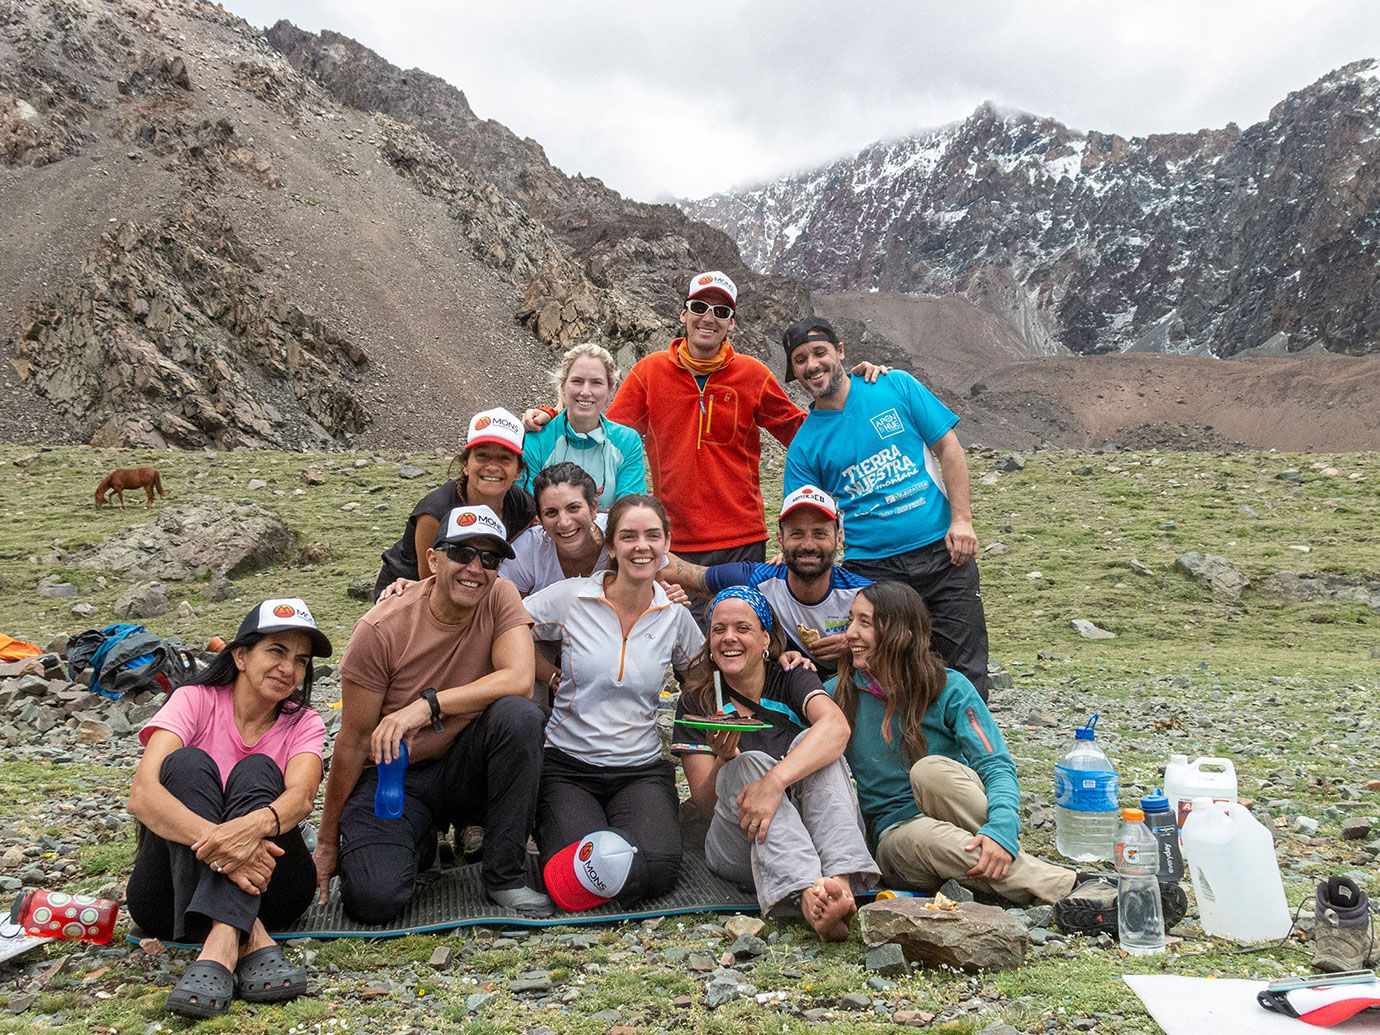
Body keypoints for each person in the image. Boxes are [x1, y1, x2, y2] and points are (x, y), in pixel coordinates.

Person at [524, 273, 885, 586]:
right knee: (687, 649)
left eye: (721, 311)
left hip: (742, 538)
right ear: (684, 314)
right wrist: (554, 410)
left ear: (732, 323)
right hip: (673, 540)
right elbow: (602, 425)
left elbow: (805, 433)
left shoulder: (752, 374)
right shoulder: (650, 373)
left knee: (741, 639)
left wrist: (848, 390)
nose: (708, 318)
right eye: (699, 307)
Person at [316, 505, 553, 921]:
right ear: (433, 559)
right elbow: (352, 740)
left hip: (465, 763)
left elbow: (518, 678)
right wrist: (326, 841)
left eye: (490, 559)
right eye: (462, 553)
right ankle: (420, 842)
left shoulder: (501, 596)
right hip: (396, 776)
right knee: (375, 900)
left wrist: (425, 707)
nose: (475, 569)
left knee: (519, 716)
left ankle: (505, 875)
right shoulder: (380, 629)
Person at [126, 598, 331, 1018]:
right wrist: (226, 851)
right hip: (168, 900)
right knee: (184, 766)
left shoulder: (303, 722)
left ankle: (219, 945)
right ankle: (248, 935)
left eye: (301, 660)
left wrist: (247, 830)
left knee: (257, 770)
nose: (288, 669)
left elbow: (301, 797)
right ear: (240, 655)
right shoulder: (193, 700)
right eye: (276, 651)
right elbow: (142, 794)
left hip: (276, 890)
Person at [827, 581, 1079, 905]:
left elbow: (996, 765)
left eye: (864, 622)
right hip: (897, 834)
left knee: (930, 772)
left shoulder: (949, 686)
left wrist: (1001, 827)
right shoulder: (837, 694)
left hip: (960, 815)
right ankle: (1076, 888)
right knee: (933, 839)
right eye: (850, 621)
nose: (850, 634)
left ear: (902, 633)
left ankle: (1000, 847)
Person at [782, 316, 992, 699]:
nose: (812, 365)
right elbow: (802, 518)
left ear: (840, 351)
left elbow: (948, 447)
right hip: (873, 569)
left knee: (964, 667)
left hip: (944, 554)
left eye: (819, 352)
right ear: (794, 373)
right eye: (800, 360)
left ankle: (969, 755)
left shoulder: (895, 385)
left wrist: (962, 521)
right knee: (889, 671)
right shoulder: (804, 446)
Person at [523, 494, 703, 906]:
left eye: (652, 536)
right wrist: (548, 675)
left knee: (658, 871)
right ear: (610, 546)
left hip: (639, 769)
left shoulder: (673, 613)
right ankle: (605, 848)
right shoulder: (572, 598)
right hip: (568, 766)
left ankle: (614, 850)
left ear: (666, 543)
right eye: (629, 536)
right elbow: (510, 623)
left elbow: (696, 673)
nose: (641, 546)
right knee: (581, 867)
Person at [673, 587, 879, 940]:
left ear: (766, 638)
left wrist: (774, 783)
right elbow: (706, 806)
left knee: (815, 746)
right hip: (737, 844)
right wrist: (725, 759)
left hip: (812, 829)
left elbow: (836, 727)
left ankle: (839, 884)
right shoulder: (696, 699)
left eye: (742, 628)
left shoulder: (791, 677)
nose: (729, 639)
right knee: (747, 764)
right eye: (718, 630)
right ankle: (806, 896)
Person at [661, 485, 871, 678]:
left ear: (839, 537)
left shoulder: (862, 593)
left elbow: (900, 638)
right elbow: (677, 570)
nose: (808, 544)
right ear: (780, 540)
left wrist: (855, 640)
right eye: (797, 534)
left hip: (846, 701)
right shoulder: (757, 579)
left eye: (819, 533)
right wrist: (638, 549)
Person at [373, 408, 537, 599]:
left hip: (473, 584)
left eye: (504, 458)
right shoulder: (435, 512)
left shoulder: (522, 504)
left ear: (518, 471)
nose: (492, 467)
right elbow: (432, 586)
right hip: (409, 592)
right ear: (466, 465)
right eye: (482, 455)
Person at [520, 343, 646, 508]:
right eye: (577, 381)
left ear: (610, 390)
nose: (586, 392)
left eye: (596, 383)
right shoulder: (537, 438)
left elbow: (630, 511)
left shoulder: (627, 442)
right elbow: (527, 509)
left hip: (606, 535)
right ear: (563, 386)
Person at [501, 462, 608, 597]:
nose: (564, 522)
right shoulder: (528, 549)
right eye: (551, 513)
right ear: (539, 520)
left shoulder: (621, 534)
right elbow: (506, 610)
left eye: (573, 508)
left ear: (593, 507)